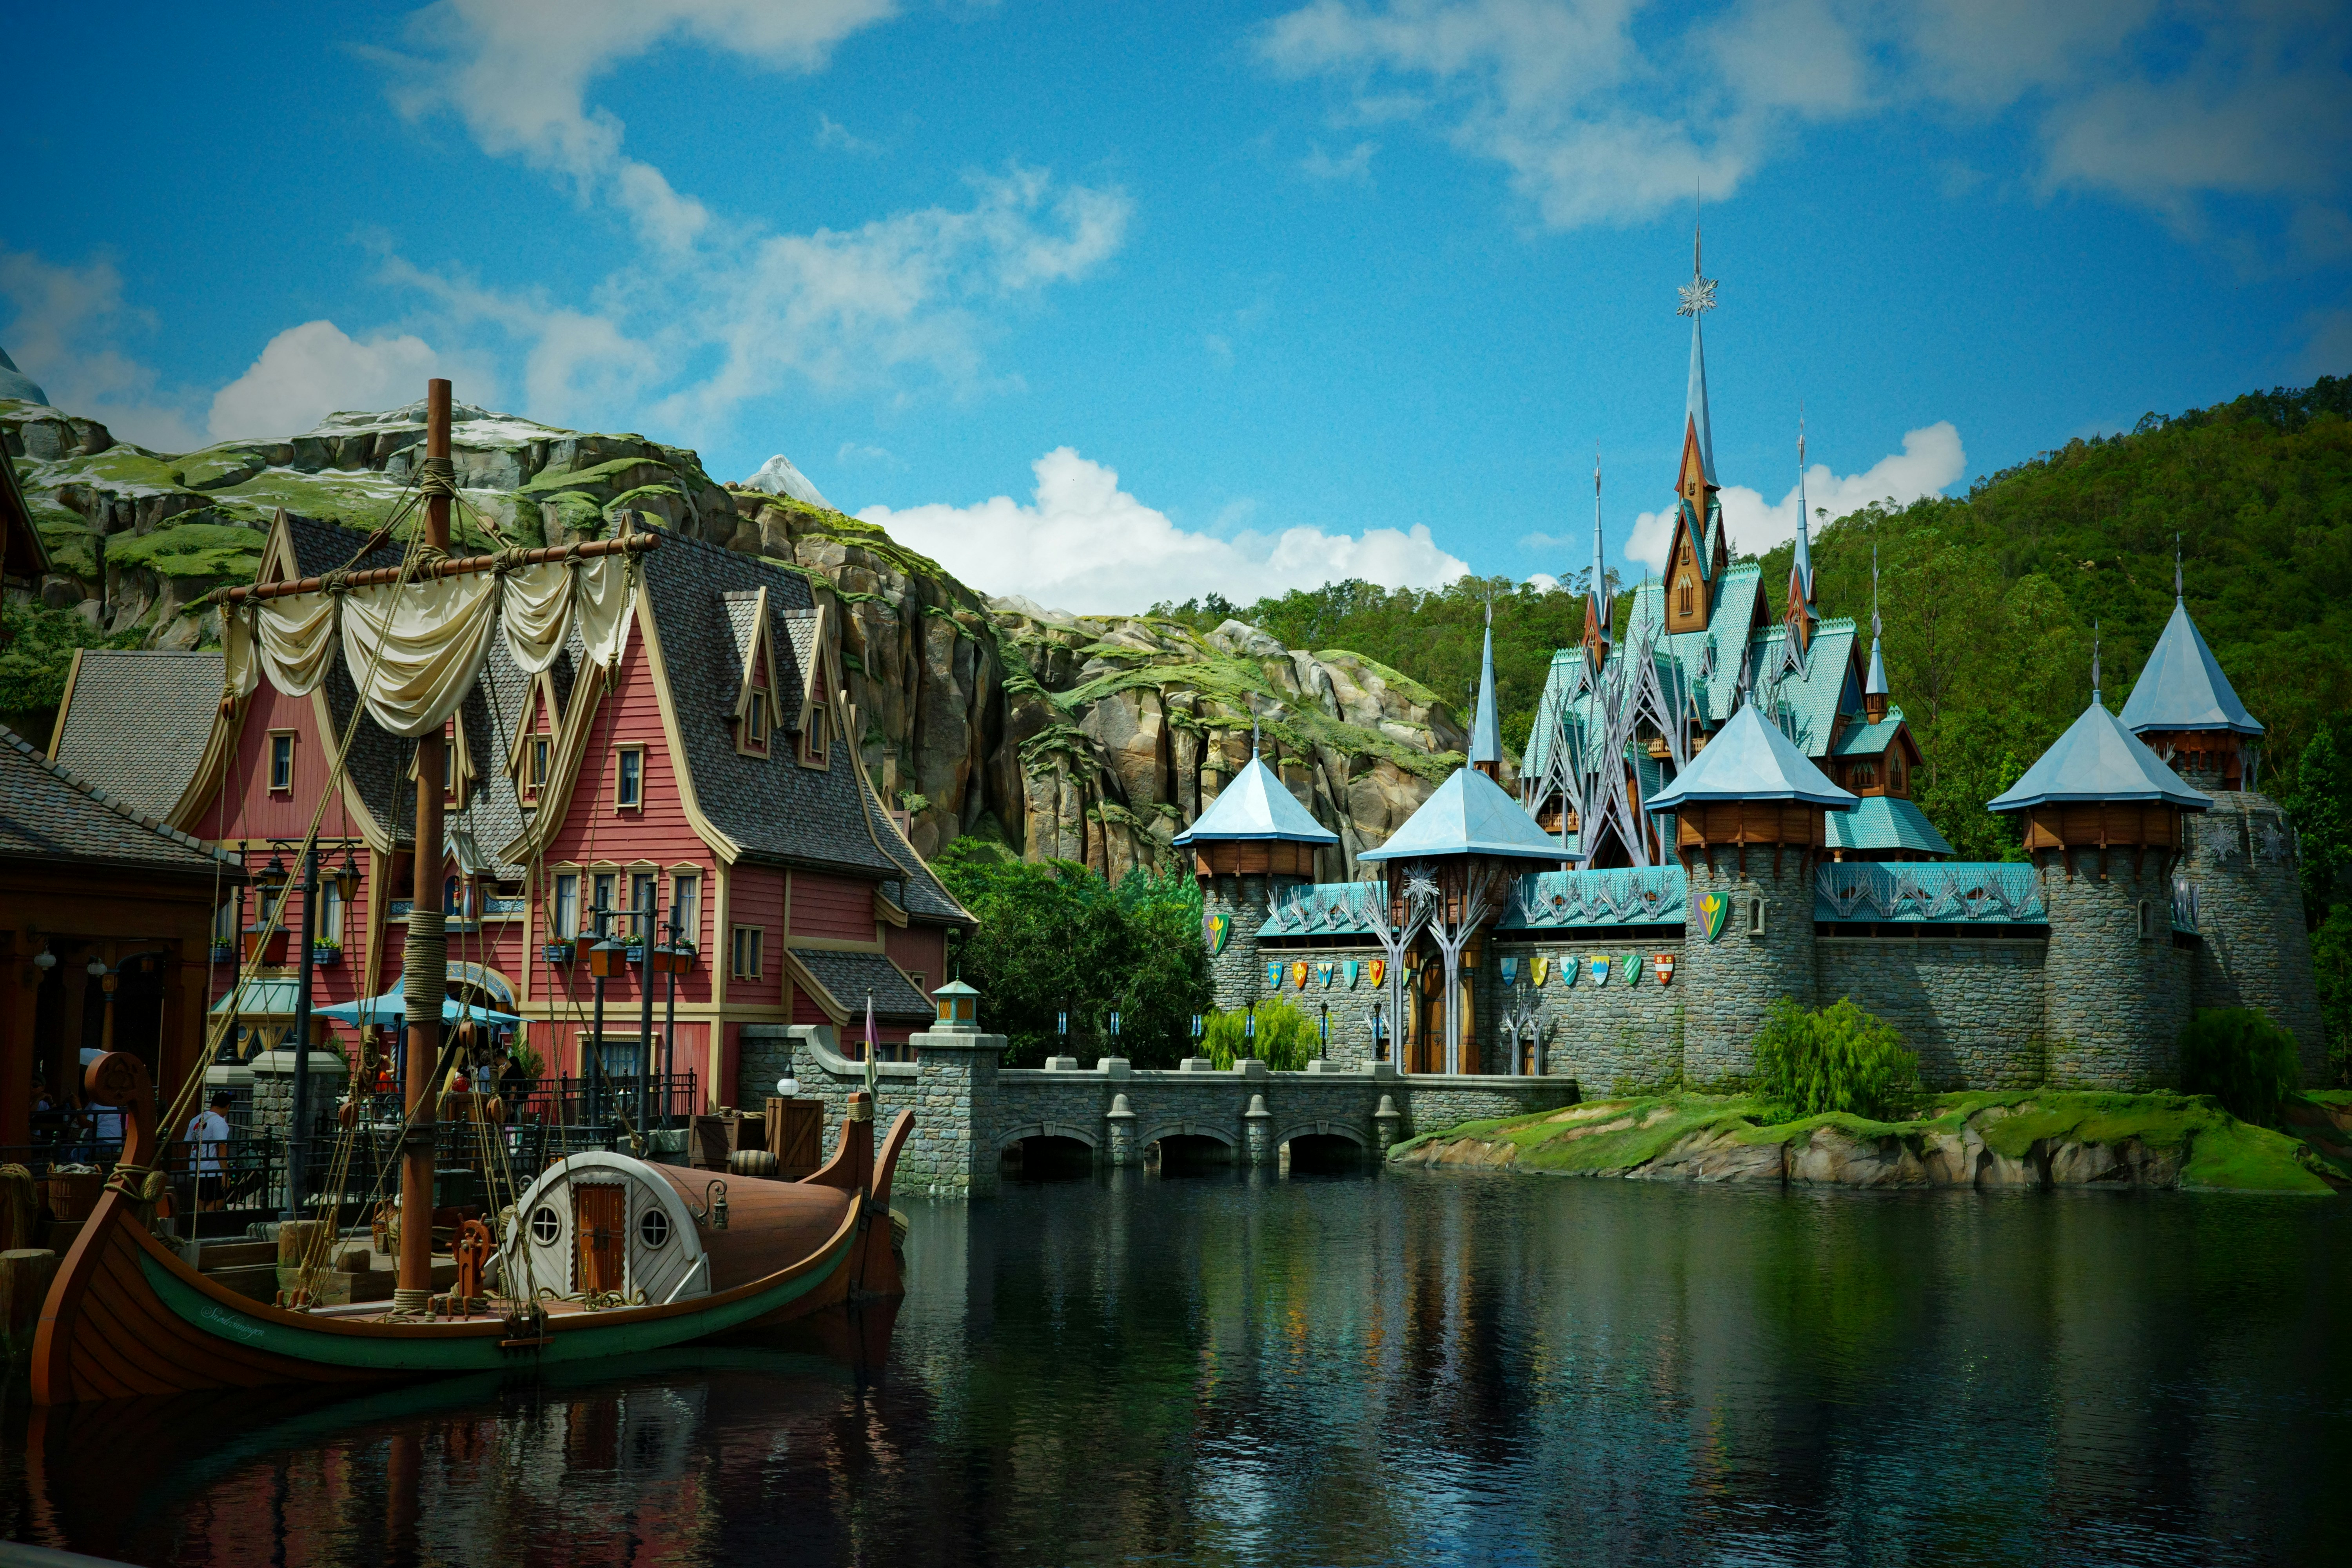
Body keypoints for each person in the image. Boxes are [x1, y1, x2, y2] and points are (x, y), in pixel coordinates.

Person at [187, 1091, 234, 1211]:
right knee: (221, 1197)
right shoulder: (219, 1122)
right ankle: (204, 1220)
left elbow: (187, 1142)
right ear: (228, 1106)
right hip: (212, 1169)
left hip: (196, 1166)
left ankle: (199, 1223)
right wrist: (225, 1174)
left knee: (201, 1199)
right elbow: (222, 1148)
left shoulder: (196, 1119)